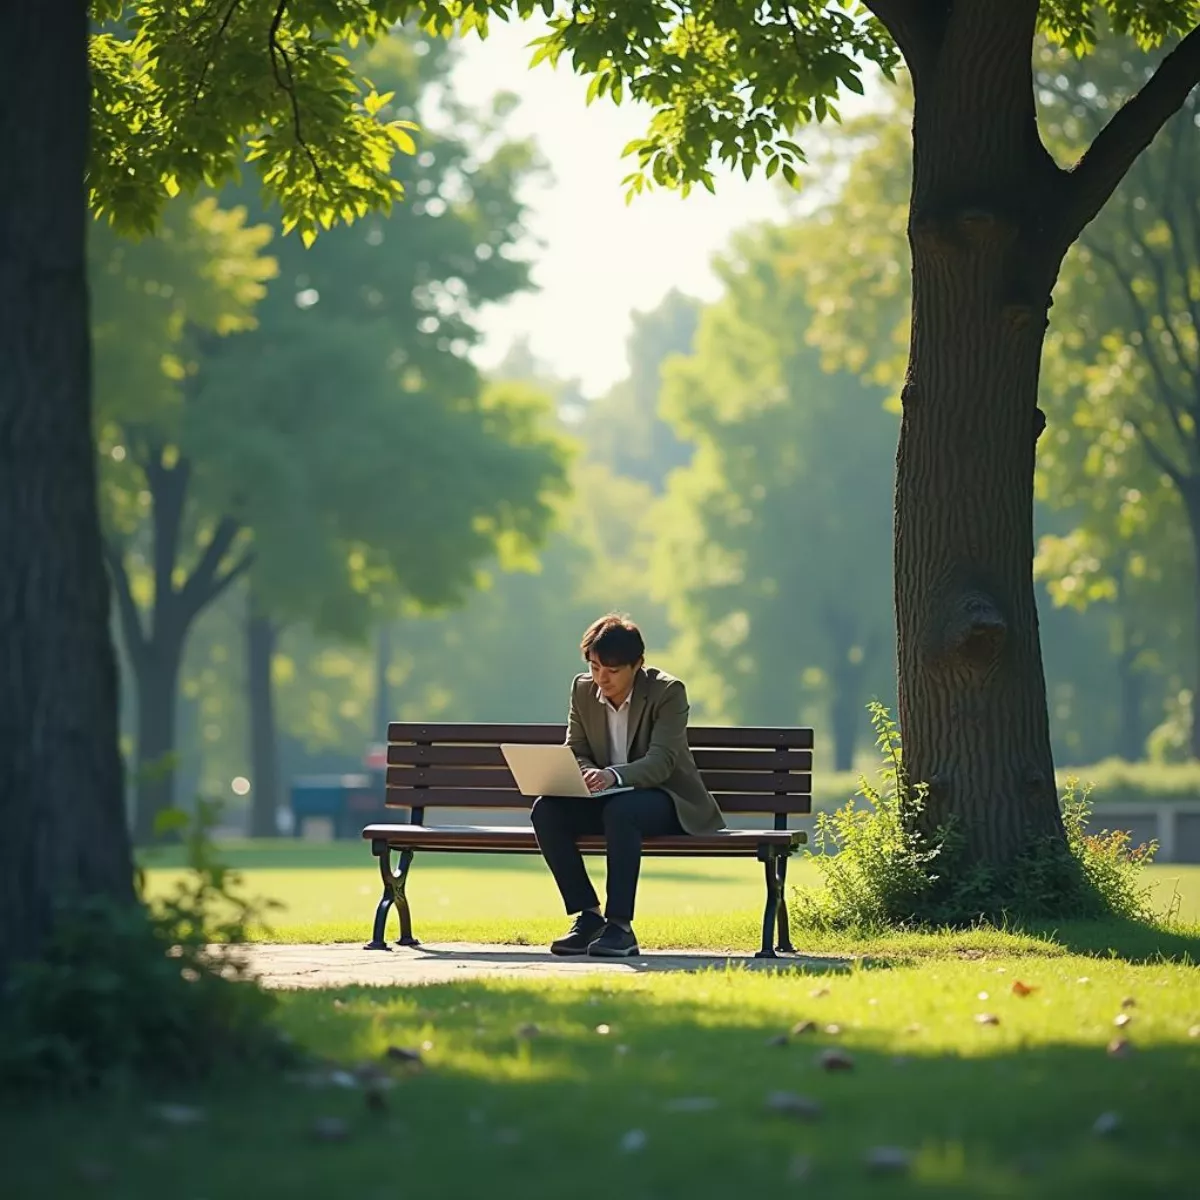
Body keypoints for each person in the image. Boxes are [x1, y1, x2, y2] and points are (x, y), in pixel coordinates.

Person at [530, 613, 724, 957]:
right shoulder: (583, 689)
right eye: (594, 667)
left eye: (612, 670)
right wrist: (588, 774)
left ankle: (620, 927)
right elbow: (576, 749)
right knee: (546, 810)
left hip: (665, 799)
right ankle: (589, 917)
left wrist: (614, 776)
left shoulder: (668, 692)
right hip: (606, 798)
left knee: (622, 811)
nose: (601, 678)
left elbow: (662, 761)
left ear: (638, 665)